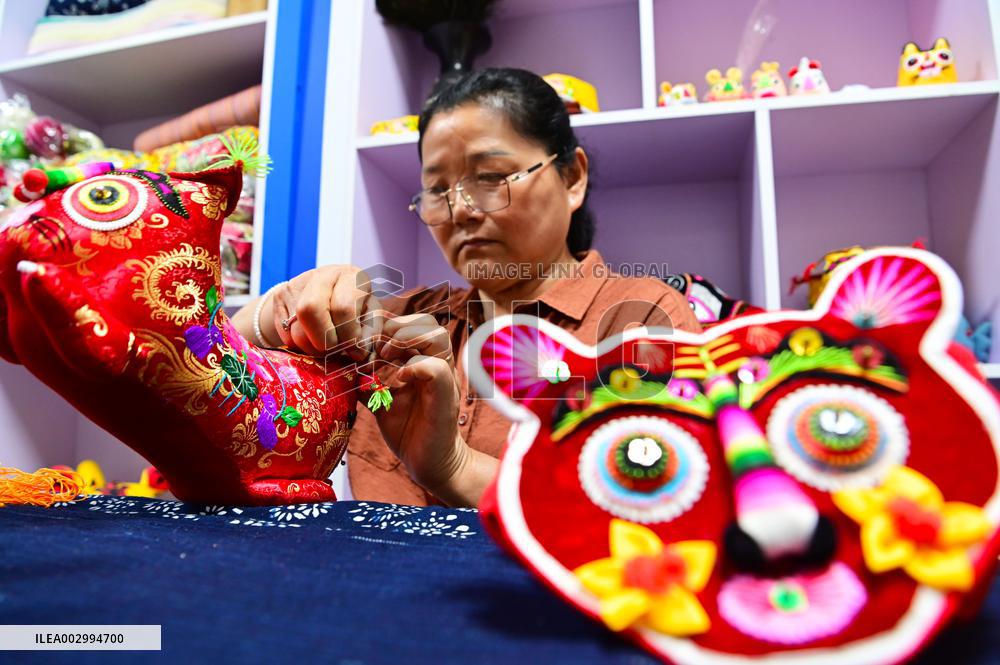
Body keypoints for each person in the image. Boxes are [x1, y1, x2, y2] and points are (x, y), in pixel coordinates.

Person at [231, 68, 701, 508]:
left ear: (572, 178)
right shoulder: (401, 323)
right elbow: (213, 359)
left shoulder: (640, 319)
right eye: (437, 190)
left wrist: (457, 467)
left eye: (492, 178)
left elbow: (654, 503)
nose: (461, 210)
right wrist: (284, 306)